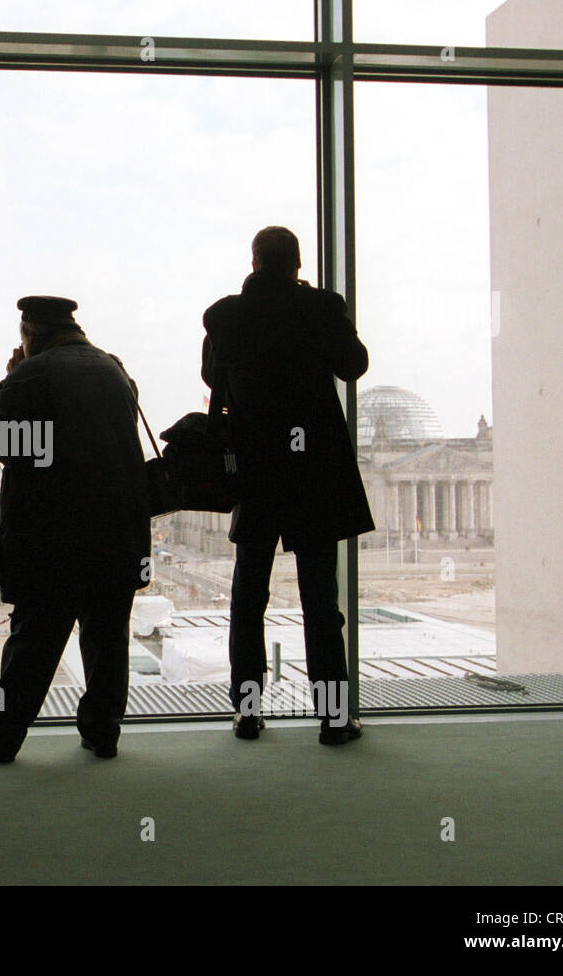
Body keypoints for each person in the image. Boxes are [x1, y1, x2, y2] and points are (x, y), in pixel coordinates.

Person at [202, 226, 373, 746]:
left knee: (248, 596)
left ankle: (248, 712)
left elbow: (213, 378)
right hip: (314, 471)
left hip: (257, 468)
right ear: (298, 264)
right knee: (321, 600)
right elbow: (355, 364)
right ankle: (334, 718)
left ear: (253, 262)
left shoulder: (225, 315)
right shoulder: (322, 308)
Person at [0, 296, 150, 762]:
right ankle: (102, 733)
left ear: (30, 334)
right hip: (118, 533)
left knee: (33, 644)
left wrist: (8, 377)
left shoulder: (35, 373)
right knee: (108, 640)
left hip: (53, 537)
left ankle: (1, 737)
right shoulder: (114, 371)